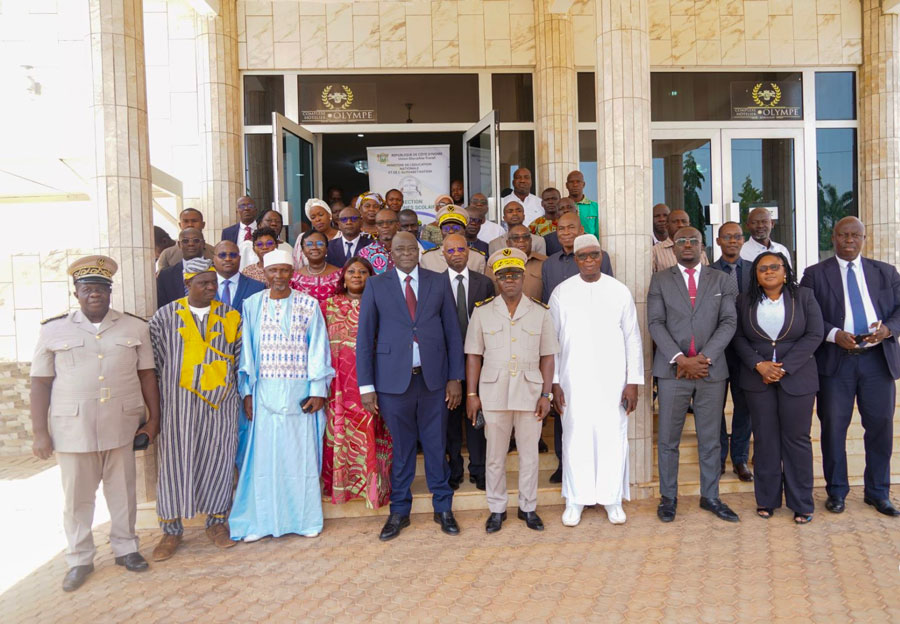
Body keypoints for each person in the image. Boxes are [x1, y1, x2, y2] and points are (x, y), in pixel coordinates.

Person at [30, 255, 160, 591]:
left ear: (110, 291)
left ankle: (126, 548)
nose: (95, 294)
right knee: (77, 498)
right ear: (76, 293)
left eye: (101, 288)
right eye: (87, 289)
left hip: (121, 424)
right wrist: (40, 432)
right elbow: (40, 383)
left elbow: (147, 375)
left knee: (123, 493)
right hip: (73, 429)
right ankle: (79, 558)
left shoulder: (135, 327)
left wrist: (153, 420)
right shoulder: (52, 329)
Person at [356, 232, 465, 541]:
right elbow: (364, 339)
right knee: (402, 449)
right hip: (392, 383)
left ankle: (442, 507)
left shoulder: (438, 281)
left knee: (435, 444)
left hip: (433, 380)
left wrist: (455, 378)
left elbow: (452, 333)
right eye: (398, 248)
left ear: (419, 252)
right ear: (391, 253)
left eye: (410, 248)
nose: (405, 253)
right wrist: (366, 386)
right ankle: (399, 512)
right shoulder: (376, 285)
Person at [230, 250, 335, 541]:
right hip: (263, 392)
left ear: (292, 273)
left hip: (300, 395)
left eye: (284, 271)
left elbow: (318, 349)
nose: (278, 277)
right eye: (273, 270)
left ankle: (303, 520)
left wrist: (317, 391)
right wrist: (247, 393)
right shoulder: (251, 305)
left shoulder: (308, 304)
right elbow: (247, 352)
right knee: (263, 460)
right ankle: (261, 521)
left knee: (298, 458)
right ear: (264, 272)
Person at [799, 216, 900, 517]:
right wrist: (833, 334)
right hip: (835, 363)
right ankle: (837, 491)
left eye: (856, 235)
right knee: (833, 428)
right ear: (833, 238)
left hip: (876, 361)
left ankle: (878, 492)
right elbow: (807, 314)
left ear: (864, 238)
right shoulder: (815, 274)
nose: (849, 240)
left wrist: (888, 330)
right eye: (843, 235)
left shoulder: (886, 272)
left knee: (880, 427)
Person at [149, 258, 242, 561]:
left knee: (219, 460)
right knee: (176, 463)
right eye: (204, 283)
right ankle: (171, 529)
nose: (212, 288)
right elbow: (155, 364)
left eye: (214, 282)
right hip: (178, 405)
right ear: (187, 284)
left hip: (221, 404)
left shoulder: (230, 316)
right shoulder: (164, 317)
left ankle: (216, 523)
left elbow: (239, 360)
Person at [549, 235, 643, 526]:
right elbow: (551, 343)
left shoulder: (619, 291)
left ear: (601, 256)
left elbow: (633, 338)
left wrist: (633, 381)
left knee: (612, 437)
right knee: (575, 438)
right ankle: (576, 499)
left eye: (594, 255)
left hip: (612, 380)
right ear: (575, 260)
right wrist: (553, 382)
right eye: (583, 256)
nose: (589, 260)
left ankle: (612, 499)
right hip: (572, 380)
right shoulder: (561, 293)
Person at [648, 226, 739, 523]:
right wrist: (680, 360)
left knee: (711, 438)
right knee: (668, 439)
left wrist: (704, 358)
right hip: (673, 372)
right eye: (681, 241)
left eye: (693, 241)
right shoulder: (660, 280)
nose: (687, 245)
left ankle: (710, 496)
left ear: (703, 246)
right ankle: (668, 498)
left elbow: (728, 322)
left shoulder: (722, 280)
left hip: (710, 372)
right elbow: (656, 323)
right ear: (673, 248)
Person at [466, 247, 558, 534]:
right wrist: (472, 395)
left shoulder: (540, 312)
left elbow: (548, 356)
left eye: (515, 275)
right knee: (494, 454)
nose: (509, 280)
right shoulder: (482, 312)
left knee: (530, 454)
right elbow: (473, 356)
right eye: (504, 275)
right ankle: (497, 508)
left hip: (530, 394)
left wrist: (546, 395)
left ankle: (528, 507)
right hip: (494, 393)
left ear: (522, 278)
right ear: (496, 278)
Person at [731, 252, 824, 524]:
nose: (769, 272)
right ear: (756, 275)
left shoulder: (804, 297)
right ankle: (767, 500)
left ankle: (802, 503)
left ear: (785, 271)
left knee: (797, 439)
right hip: (758, 380)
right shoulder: (744, 301)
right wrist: (759, 365)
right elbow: (737, 337)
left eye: (775, 267)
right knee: (764, 439)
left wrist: (784, 367)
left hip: (797, 378)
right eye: (762, 269)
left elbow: (815, 334)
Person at [540, 212, 613, 483]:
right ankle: (564, 463)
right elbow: (548, 305)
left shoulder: (597, 256)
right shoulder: (549, 265)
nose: (566, 232)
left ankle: (594, 465)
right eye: (561, 228)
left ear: (582, 229)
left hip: (594, 345)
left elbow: (608, 295)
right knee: (563, 407)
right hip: (563, 344)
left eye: (572, 227)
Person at [323, 257, 392, 508]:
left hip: (372, 379)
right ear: (342, 276)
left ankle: (375, 490)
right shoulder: (328, 305)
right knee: (340, 433)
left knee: (371, 431)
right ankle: (342, 488)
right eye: (351, 271)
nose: (356, 276)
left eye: (363, 272)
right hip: (339, 383)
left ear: (371, 276)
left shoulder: (381, 303)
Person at [440, 234, 494, 491]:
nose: (457, 253)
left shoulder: (484, 283)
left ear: (469, 252)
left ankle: (479, 468)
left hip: (480, 360)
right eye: (451, 250)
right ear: (443, 253)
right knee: (451, 418)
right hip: (446, 362)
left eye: (462, 249)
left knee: (477, 415)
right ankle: (455, 468)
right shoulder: (434, 284)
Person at [711, 222, 754, 482]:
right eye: (727, 237)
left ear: (743, 240)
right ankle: (718, 459)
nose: (732, 241)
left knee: (744, 406)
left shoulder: (754, 270)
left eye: (737, 237)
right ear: (718, 241)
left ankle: (740, 459)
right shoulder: (708, 272)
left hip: (746, 350)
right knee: (714, 407)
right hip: (717, 349)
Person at [420, 206, 488, 274]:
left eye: (456, 228)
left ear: (464, 230)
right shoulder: (428, 258)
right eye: (446, 228)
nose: (451, 231)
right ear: (440, 231)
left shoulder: (478, 258)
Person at [492, 224, 546, 300]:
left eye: (525, 237)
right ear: (508, 243)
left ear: (530, 241)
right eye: (516, 238)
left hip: (537, 310)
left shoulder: (544, 262)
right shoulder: (495, 264)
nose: (521, 240)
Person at [157, 227, 207, 309]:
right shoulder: (165, 276)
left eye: (196, 240)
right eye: (185, 241)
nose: (191, 244)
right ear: (179, 245)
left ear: (203, 244)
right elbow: (162, 306)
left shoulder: (215, 271)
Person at [213, 240, 265, 313]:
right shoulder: (202, 287)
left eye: (233, 255)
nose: (228, 259)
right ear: (213, 259)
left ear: (239, 258)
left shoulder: (258, 288)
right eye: (222, 255)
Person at [291, 230, 342, 301]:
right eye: (309, 244)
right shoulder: (295, 278)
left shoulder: (340, 275)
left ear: (327, 249)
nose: (314, 247)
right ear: (303, 250)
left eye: (320, 244)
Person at [292, 198, 340, 269]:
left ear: (329, 215)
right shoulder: (303, 238)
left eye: (320, 215)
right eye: (313, 217)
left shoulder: (342, 236)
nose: (317, 219)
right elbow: (297, 266)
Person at [358, 208, 400, 275]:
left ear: (398, 225)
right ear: (376, 227)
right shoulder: (364, 253)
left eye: (389, 222)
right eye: (380, 223)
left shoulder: (408, 249)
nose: (385, 226)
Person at [565, 170, 599, 238]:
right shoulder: (562, 207)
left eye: (578, 181)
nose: (575, 185)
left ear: (583, 184)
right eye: (571, 182)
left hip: (590, 246)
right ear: (566, 185)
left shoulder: (595, 207)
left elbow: (599, 233)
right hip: (567, 247)